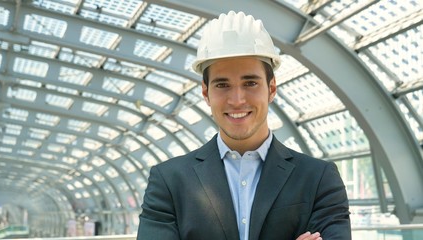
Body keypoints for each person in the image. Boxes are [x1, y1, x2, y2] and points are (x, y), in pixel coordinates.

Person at [137, 11, 351, 240]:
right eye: (222, 85)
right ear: (206, 93)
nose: (237, 99)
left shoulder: (318, 178)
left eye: (250, 83)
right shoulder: (169, 181)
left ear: (271, 89)